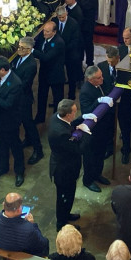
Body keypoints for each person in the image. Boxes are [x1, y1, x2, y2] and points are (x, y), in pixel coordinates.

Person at [48, 99, 95, 231]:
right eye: (75, 112)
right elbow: (78, 149)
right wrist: (86, 133)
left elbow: (69, 124)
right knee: (64, 197)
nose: (76, 113)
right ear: (68, 114)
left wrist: (82, 118)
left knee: (69, 196)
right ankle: (61, 224)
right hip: (64, 170)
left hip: (66, 167)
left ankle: (66, 214)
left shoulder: (56, 118)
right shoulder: (60, 133)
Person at [0, 192, 50, 260]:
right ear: (18, 210)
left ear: (3, 205)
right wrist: (32, 224)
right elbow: (42, 244)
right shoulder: (28, 230)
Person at [0, 57, 26, 186]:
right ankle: (2, 167)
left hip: (10, 120)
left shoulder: (15, 83)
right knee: (1, 145)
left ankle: (19, 172)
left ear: (3, 70)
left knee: (15, 147)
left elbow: (7, 104)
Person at [80, 66, 114, 192]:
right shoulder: (85, 91)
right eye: (99, 77)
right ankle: (88, 180)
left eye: (101, 76)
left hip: (102, 127)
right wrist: (98, 101)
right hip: (92, 131)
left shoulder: (99, 84)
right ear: (90, 79)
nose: (102, 79)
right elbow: (86, 111)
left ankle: (97, 174)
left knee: (100, 154)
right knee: (91, 157)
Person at [12, 37, 43, 164]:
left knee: (29, 124)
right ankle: (28, 140)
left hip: (23, 98)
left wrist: (10, 86)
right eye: (19, 47)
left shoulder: (31, 64)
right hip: (19, 97)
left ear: (29, 50)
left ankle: (38, 150)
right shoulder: (19, 58)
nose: (19, 50)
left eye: (22, 48)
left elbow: (24, 84)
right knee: (26, 123)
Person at [33, 21, 66, 125]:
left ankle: (57, 121)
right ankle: (40, 116)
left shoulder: (58, 42)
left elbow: (46, 57)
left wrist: (32, 51)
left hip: (56, 75)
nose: (44, 33)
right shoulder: (43, 38)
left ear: (54, 32)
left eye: (47, 31)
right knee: (41, 96)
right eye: (44, 31)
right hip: (44, 74)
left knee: (57, 99)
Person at [53, 7, 83, 99]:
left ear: (66, 14)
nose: (61, 19)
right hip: (59, 55)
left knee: (71, 76)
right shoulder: (54, 22)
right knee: (59, 75)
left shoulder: (73, 24)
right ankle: (59, 97)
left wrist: (62, 48)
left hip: (71, 54)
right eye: (59, 17)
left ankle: (71, 95)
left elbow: (75, 41)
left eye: (62, 17)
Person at [78, 0, 100, 66]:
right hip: (81, 23)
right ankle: (80, 59)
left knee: (88, 44)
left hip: (87, 24)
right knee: (81, 43)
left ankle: (90, 62)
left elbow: (84, 6)